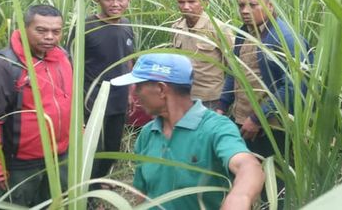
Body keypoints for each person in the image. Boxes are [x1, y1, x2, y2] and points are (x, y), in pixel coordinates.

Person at [111, 53, 264, 210]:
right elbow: (141, 193)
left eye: (138, 86)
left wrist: (239, 197)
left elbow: (248, 166)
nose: (134, 93)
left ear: (161, 89)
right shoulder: (147, 134)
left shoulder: (216, 128)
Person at [0, 5, 72, 207]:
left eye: (56, 31)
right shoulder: (3, 66)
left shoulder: (62, 57)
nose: (50, 37)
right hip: (20, 165)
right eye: (41, 30)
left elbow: (69, 102)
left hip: (60, 158)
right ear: (24, 28)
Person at [216, 0, 312, 158]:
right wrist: (222, 105)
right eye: (241, 5)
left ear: (269, 5)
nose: (244, 10)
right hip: (240, 120)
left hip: (270, 126)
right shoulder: (244, 33)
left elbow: (294, 86)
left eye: (252, 5)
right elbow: (235, 70)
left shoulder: (286, 38)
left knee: (272, 177)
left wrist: (258, 118)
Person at [67, 0, 135, 188]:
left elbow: (129, 59)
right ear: (98, 0)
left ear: (128, 0)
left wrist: (131, 92)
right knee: (90, 150)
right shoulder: (85, 27)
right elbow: (69, 65)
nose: (115, 4)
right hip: (91, 101)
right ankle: (88, 193)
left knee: (111, 148)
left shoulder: (127, 25)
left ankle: (98, 183)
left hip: (119, 100)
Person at [172, 0, 234, 109]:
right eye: (181, 2)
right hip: (183, 97)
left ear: (205, 4)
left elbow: (234, 67)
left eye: (191, 2)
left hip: (210, 100)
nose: (186, 6)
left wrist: (225, 103)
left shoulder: (218, 29)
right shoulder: (176, 28)